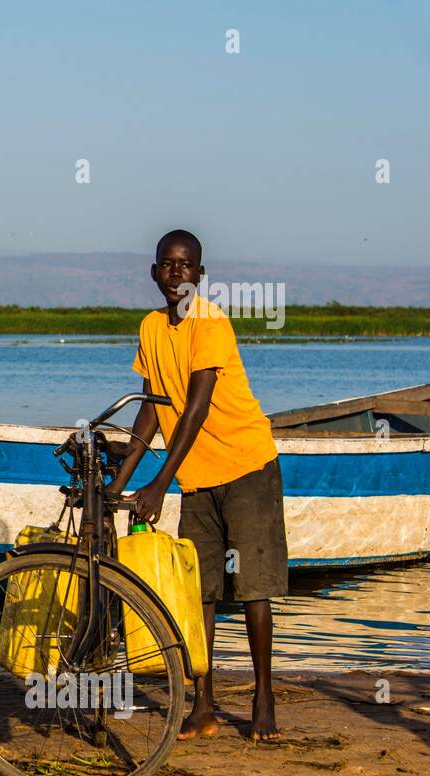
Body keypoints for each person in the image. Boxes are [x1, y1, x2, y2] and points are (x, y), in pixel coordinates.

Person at [107, 229, 286, 741]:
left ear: (200, 275)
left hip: (246, 465)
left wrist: (160, 484)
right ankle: (203, 704)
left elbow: (195, 406)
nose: (176, 273)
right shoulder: (150, 327)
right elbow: (152, 408)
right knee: (200, 594)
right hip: (197, 476)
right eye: (167, 264)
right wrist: (121, 482)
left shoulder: (209, 322)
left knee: (252, 590)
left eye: (186, 266)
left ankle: (263, 697)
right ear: (154, 272)